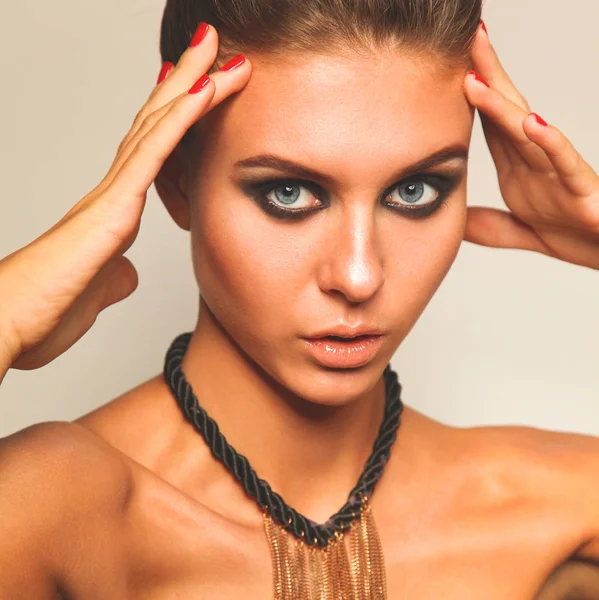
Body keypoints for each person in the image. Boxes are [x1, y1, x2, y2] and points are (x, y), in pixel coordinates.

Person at [0, 0, 598, 597]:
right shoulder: (54, 511)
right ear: (175, 180)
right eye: (288, 193)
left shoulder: (562, 504)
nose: (359, 276)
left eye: (416, 190)